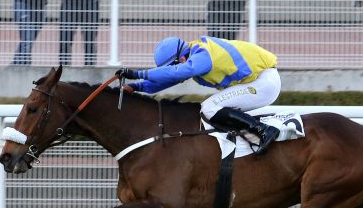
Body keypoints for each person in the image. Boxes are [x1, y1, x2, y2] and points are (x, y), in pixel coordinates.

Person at [116, 36, 281, 155]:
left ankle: (264, 131)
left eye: (170, 66)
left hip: (263, 84)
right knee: (213, 107)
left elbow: (175, 73)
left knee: (210, 107)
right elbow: (168, 80)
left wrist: (137, 73)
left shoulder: (202, 55)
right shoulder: (194, 55)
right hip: (258, 82)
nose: (170, 70)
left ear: (181, 58)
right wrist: (135, 86)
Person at [12, 0, 56, 66]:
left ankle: (19, 64)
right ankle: (19, 66)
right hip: (23, 1)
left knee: (30, 38)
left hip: (39, 4)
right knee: (28, 38)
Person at [59, 0, 101, 66]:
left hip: (90, 2)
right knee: (65, 41)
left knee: (90, 42)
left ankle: (90, 70)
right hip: (69, 1)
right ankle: (63, 71)